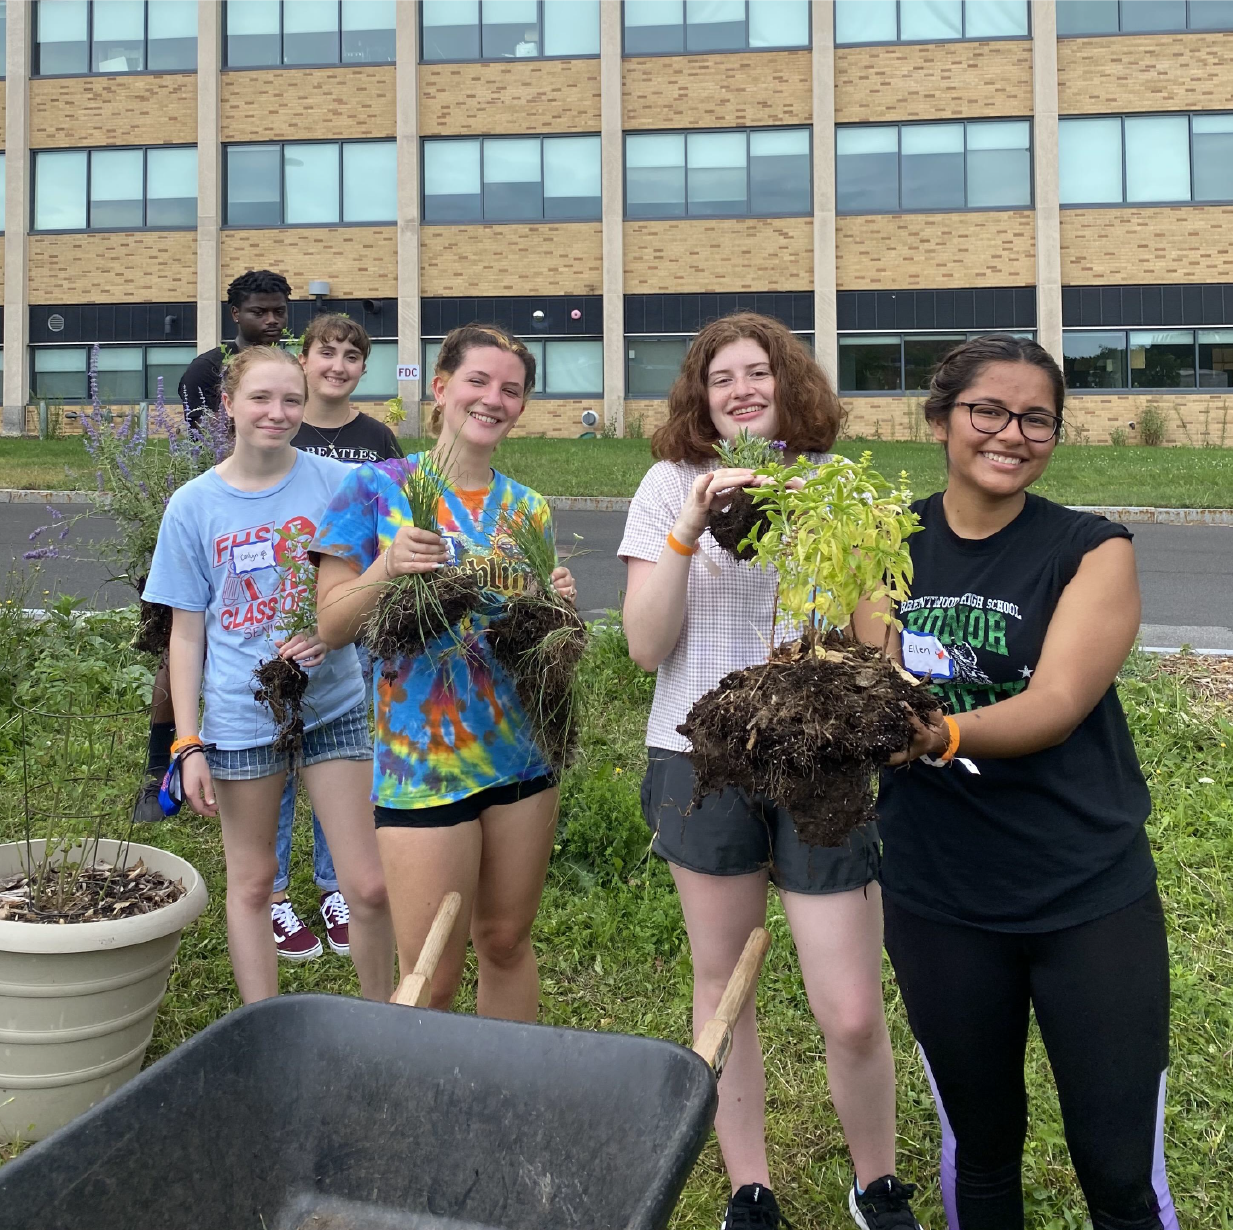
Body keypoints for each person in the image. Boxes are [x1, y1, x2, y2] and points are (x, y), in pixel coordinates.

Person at [619, 313, 922, 1230]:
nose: (742, 389)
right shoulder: (668, 483)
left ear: (788, 385)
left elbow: (878, 641)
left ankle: (875, 1183)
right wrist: (689, 523)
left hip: (818, 759)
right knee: (726, 985)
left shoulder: (837, 485)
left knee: (853, 1007)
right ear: (700, 396)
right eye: (723, 378)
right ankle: (748, 1187)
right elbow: (643, 647)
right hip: (697, 756)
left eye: (758, 373)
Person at [872, 334, 1176, 1230]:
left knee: (1118, 1166)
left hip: (1085, 892)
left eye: (1036, 418)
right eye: (987, 411)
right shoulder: (886, 542)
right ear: (940, 420)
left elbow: (1057, 703)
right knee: (982, 1147)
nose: (1011, 433)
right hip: (939, 894)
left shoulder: (1090, 547)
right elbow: (867, 671)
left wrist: (939, 731)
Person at [313, 323, 576, 1021]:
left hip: (522, 757)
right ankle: (424, 1122)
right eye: (478, 382)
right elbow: (333, 624)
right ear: (440, 388)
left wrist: (555, 609)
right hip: (422, 765)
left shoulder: (527, 509)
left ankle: (505, 1106)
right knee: (430, 974)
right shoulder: (376, 489)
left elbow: (527, 634)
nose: (493, 399)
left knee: (506, 940)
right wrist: (387, 566)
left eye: (510, 389)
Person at [144, 344, 394, 1004]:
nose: (277, 412)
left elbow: (370, 583)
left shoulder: (336, 485)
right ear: (228, 405)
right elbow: (187, 632)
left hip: (334, 705)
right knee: (253, 884)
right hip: (242, 717)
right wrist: (186, 740)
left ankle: (385, 1025)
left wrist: (332, 622)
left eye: (291, 400)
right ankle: (266, 1027)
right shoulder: (193, 506)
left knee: (368, 885)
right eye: (260, 398)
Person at [132, 269, 293, 826]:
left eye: (279, 311)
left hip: (284, 518)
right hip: (216, 523)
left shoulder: (293, 362)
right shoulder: (208, 370)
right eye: (260, 311)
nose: (271, 321)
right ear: (236, 314)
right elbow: (211, 447)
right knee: (181, 641)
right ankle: (162, 768)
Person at [266, 314, 405, 962]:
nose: (339, 364)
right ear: (305, 357)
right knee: (281, 759)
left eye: (353, 355)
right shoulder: (281, 426)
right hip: (283, 621)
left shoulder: (376, 438)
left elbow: (390, 530)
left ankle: (333, 885)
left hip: (353, 620)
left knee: (340, 757)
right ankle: (271, 893)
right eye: (328, 352)